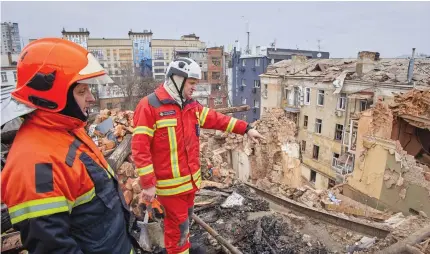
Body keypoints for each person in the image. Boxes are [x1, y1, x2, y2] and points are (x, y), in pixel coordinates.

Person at [1, 38, 137, 253]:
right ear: (54, 97)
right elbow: (52, 246)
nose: (91, 98)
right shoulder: (36, 162)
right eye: (82, 92)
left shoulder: (66, 130)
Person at [131, 57, 265, 254]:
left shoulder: (191, 107)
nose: (194, 88)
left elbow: (217, 119)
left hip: (190, 185)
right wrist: (148, 184)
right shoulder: (149, 106)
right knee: (178, 235)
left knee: (183, 230)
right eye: (192, 83)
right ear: (177, 79)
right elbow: (140, 148)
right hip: (171, 189)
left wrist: (246, 128)